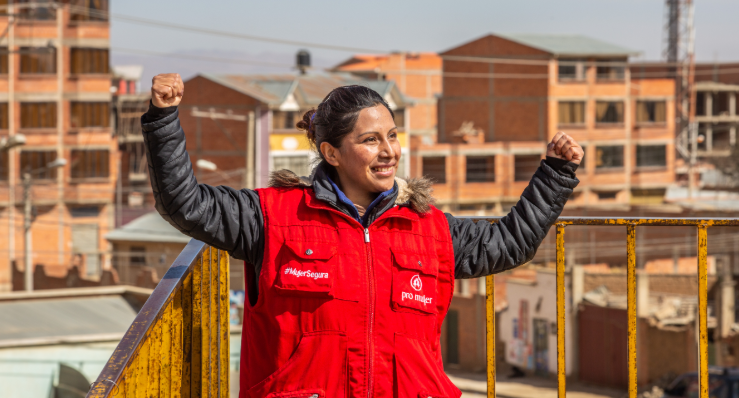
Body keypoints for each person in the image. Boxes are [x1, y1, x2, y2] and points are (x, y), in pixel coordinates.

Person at [144, 73, 583, 398]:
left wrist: (555, 174)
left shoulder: (430, 229)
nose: (389, 151)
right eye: (370, 140)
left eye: (392, 136)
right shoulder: (270, 216)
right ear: (331, 152)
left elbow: (510, 243)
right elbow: (185, 204)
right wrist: (164, 120)